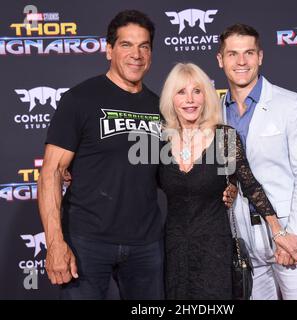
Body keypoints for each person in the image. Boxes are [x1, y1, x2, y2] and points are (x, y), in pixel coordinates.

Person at [37, 10, 235, 300]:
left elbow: (179, 168)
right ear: (109, 50)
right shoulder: (80, 99)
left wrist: (224, 185)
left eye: (144, 46)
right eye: (126, 45)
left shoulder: (162, 109)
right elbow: (51, 173)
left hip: (146, 244)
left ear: (151, 54)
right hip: (87, 241)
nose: (136, 54)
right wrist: (55, 243)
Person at [158, 62, 297, 299]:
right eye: (181, 92)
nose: (190, 99)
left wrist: (278, 231)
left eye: (197, 91)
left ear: (206, 97)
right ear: (171, 99)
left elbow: (251, 185)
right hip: (174, 249)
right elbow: (137, 183)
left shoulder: (224, 138)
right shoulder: (160, 142)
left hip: (215, 248)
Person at [217, 23, 297, 300]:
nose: (241, 61)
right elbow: (230, 171)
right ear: (220, 60)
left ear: (260, 57)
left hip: (290, 238)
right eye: (232, 54)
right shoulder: (215, 113)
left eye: (249, 53)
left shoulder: (290, 104)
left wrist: (294, 237)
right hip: (245, 243)